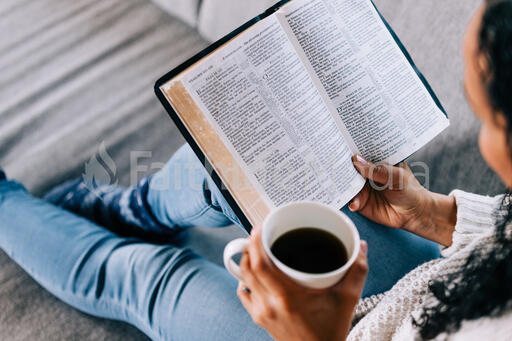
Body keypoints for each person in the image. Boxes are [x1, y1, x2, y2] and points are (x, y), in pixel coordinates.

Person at [0, 0, 510, 340]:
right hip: (433, 279)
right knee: (245, 160)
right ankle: (140, 207)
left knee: (146, 278)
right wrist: (436, 215)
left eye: (479, 112)